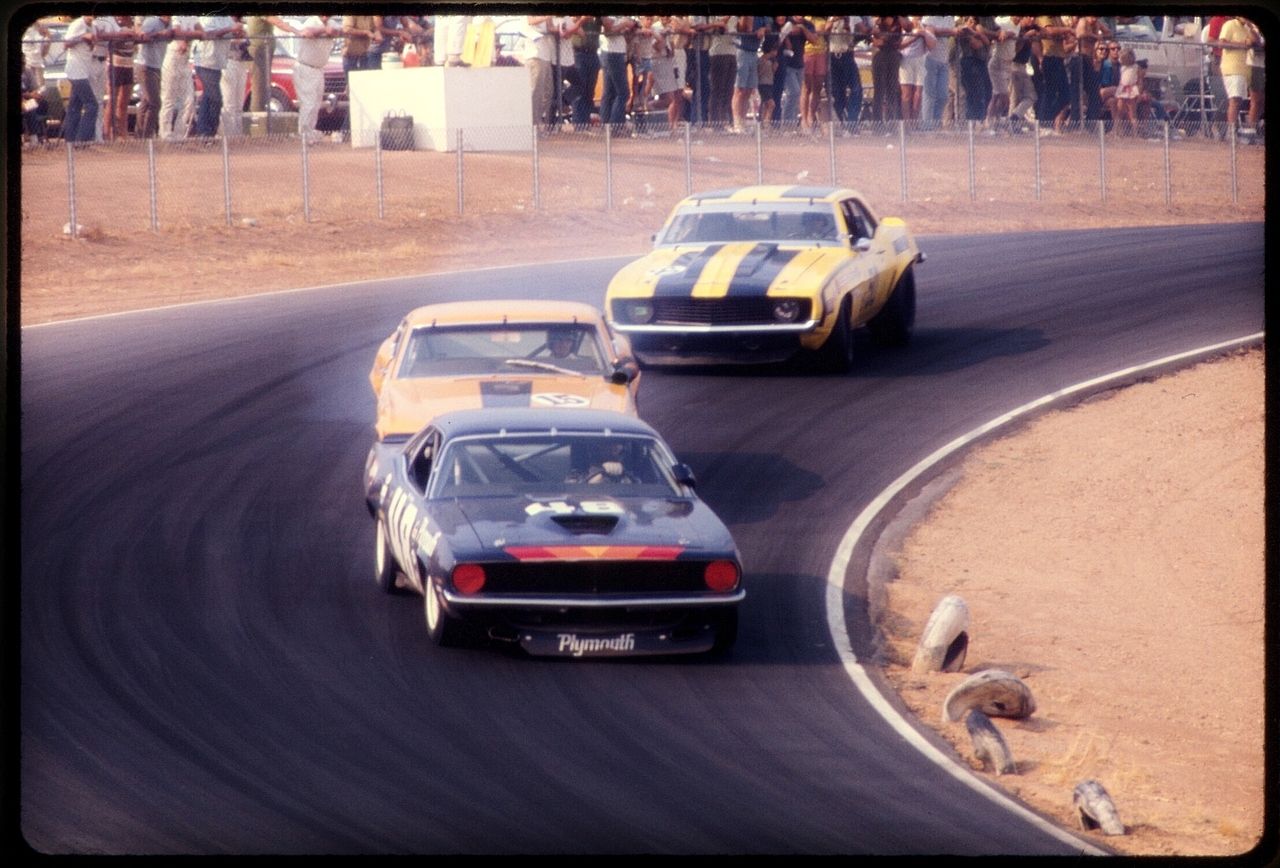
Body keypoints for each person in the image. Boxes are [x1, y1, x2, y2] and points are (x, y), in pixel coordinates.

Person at [193, 14, 238, 138]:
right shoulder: (207, 18)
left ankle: (205, 132)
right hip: (205, 62)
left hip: (217, 63)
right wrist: (229, 30)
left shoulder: (227, 18)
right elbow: (209, 34)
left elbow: (235, 34)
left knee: (208, 96)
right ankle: (208, 131)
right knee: (216, 98)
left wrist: (238, 32)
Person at [296, 15, 339, 144]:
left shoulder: (332, 22)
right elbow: (305, 32)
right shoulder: (311, 21)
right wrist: (323, 30)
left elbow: (338, 31)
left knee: (315, 104)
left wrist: (330, 31)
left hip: (319, 68)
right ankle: (303, 135)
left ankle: (310, 133)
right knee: (308, 104)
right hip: (305, 67)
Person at [159, 15, 200, 140]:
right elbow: (176, 30)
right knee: (169, 99)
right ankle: (165, 134)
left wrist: (185, 35)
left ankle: (179, 134)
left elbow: (201, 33)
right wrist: (188, 35)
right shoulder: (177, 16)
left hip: (185, 58)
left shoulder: (193, 17)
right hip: (173, 56)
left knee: (188, 100)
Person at [60, 14, 97, 144]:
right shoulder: (77, 24)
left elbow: (93, 43)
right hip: (76, 70)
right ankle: (82, 140)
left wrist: (91, 41)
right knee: (92, 105)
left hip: (84, 70)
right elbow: (66, 43)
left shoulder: (93, 26)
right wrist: (81, 37)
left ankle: (70, 140)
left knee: (75, 106)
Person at [1218, 16, 1258, 134]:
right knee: (1234, 100)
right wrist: (1242, 45)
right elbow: (1222, 43)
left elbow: (1255, 41)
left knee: (1239, 100)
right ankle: (1231, 132)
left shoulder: (1247, 28)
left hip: (1244, 69)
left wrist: (1251, 26)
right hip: (1232, 68)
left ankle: (1235, 130)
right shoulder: (1230, 24)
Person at [134, 14, 169, 139]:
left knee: (146, 102)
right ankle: (147, 137)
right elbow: (139, 38)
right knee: (155, 102)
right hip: (145, 66)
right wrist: (158, 35)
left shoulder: (171, 24)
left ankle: (140, 135)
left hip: (157, 65)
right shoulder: (152, 22)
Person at [598, 15, 634, 132]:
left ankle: (606, 123)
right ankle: (616, 125)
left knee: (609, 91)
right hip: (611, 53)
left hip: (618, 52)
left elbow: (632, 26)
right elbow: (609, 31)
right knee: (623, 92)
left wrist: (626, 27)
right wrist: (623, 24)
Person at [732, 16, 767, 133]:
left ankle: (742, 120)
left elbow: (768, 26)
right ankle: (736, 121)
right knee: (740, 89)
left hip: (753, 52)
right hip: (742, 51)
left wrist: (763, 29)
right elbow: (744, 28)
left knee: (749, 89)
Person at [105, 16, 138, 141]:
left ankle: (122, 132)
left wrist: (135, 36)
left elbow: (138, 39)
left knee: (124, 101)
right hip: (115, 64)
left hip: (129, 64)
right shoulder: (115, 23)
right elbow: (110, 41)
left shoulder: (133, 23)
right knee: (112, 100)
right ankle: (107, 132)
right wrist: (123, 35)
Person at [828, 16, 864, 130]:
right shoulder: (831, 17)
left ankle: (852, 122)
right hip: (833, 55)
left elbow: (864, 30)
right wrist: (834, 19)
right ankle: (841, 121)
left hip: (847, 53)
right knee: (837, 91)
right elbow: (825, 30)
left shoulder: (853, 17)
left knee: (856, 88)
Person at [919, 14, 955, 129]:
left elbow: (948, 32)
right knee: (929, 94)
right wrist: (951, 31)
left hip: (944, 60)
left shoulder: (949, 18)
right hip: (929, 58)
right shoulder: (929, 17)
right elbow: (929, 30)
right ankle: (927, 126)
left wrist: (951, 31)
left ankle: (935, 123)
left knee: (943, 96)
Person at [955, 16, 991, 123]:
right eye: (970, 21)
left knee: (986, 91)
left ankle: (980, 120)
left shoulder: (975, 32)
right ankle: (972, 121)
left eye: (974, 21)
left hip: (979, 63)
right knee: (973, 93)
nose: (973, 23)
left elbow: (987, 42)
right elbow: (977, 45)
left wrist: (978, 33)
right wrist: (976, 34)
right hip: (968, 62)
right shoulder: (964, 32)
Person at [220, 18, 252, 137]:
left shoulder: (242, 24)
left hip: (241, 62)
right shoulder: (224, 23)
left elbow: (247, 43)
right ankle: (228, 135)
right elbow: (221, 42)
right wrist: (234, 34)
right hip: (228, 62)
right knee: (229, 102)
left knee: (239, 102)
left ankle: (238, 134)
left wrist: (243, 34)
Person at [870, 16, 904, 124]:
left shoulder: (898, 21)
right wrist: (885, 36)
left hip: (893, 54)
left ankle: (892, 122)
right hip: (880, 55)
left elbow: (905, 31)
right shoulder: (877, 21)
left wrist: (886, 37)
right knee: (879, 91)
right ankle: (877, 124)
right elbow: (878, 41)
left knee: (892, 90)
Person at [801, 16, 831, 131]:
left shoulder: (823, 20)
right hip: (807, 52)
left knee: (817, 87)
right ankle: (804, 119)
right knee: (806, 87)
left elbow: (825, 32)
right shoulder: (805, 19)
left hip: (821, 52)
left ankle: (811, 116)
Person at [706, 17, 736, 128]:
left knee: (729, 90)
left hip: (732, 52)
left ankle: (726, 120)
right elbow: (719, 28)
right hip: (718, 53)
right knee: (718, 89)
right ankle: (715, 122)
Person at [897, 17, 928, 123]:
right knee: (906, 94)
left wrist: (924, 33)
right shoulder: (906, 22)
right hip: (907, 60)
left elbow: (930, 41)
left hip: (920, 60)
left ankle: (914, 123)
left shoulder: (925, 24)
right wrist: (915, 37)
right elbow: (899, 45)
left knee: (918, 94)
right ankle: (906, 124)